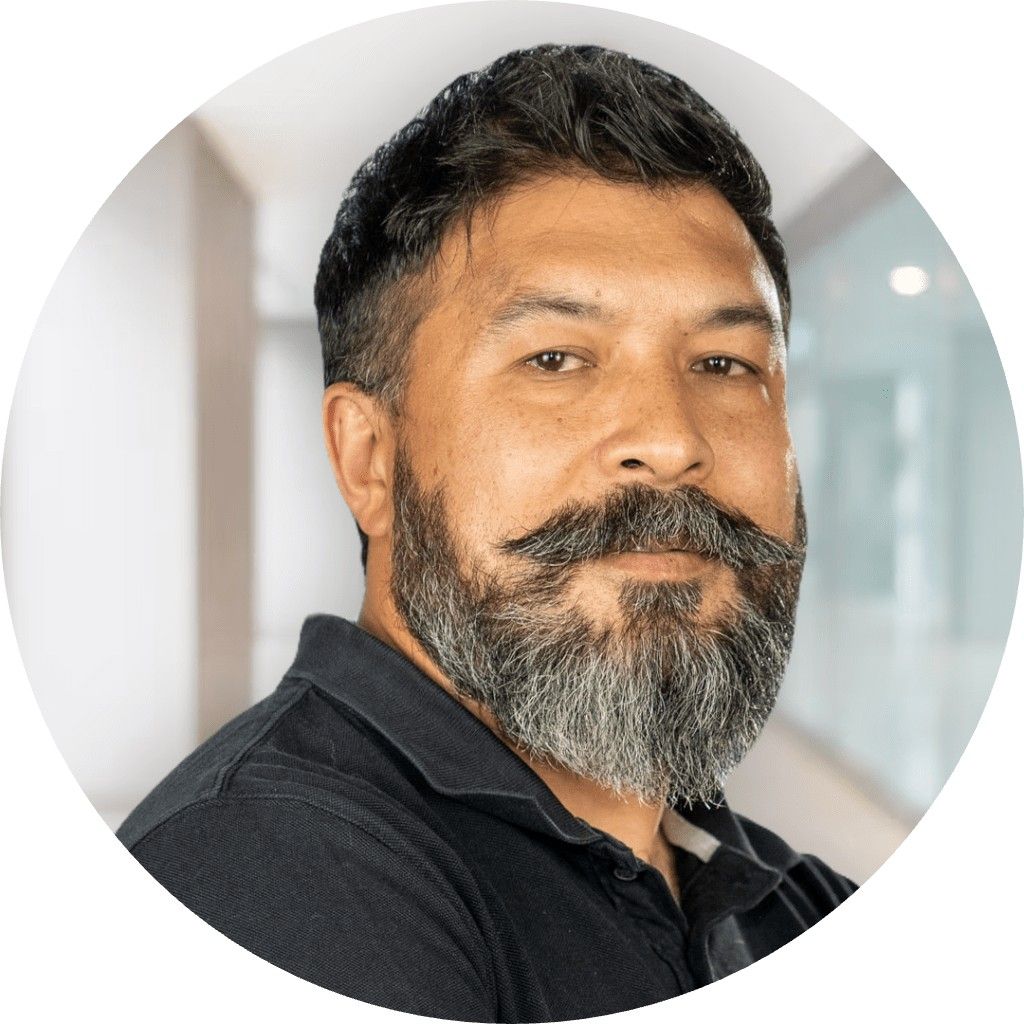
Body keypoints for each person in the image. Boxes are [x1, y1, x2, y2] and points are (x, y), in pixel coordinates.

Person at [118, 43, 856, 1021]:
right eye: (556, 358)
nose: (673, 441)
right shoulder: (268, 876)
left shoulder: (794, 901)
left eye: (725, 364)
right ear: (369, 458)